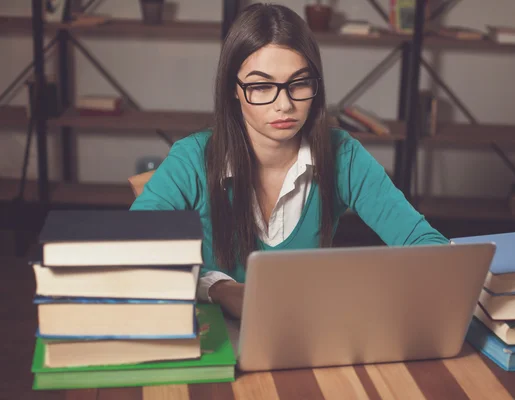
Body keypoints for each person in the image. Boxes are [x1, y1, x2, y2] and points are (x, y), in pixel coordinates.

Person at [130, 3, 448, 319]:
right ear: (233, 90)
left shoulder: (342, 155)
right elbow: (131, 252)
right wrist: (219, 288)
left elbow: (423, 242)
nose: (284, 105)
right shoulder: (192, 158)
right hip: (212, 338)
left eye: (299, 84)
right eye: (261, 86)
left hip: (304, 332)